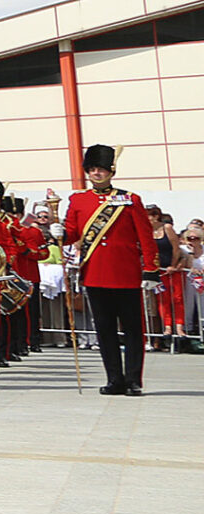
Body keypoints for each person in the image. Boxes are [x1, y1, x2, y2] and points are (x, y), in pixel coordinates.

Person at [65, 143, 155, 396]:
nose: (96, 173)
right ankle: (114, 378)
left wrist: (150, 269)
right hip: (95, 274)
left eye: (101, 169)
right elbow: (73, 233)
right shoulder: (78, 200)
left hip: (126, 274)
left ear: (111, 171)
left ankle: (133, 380)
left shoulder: (129, 199)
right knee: (105, 331)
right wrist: (59, 234)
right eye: (92, 169)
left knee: (133, 330)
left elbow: (145, 237)